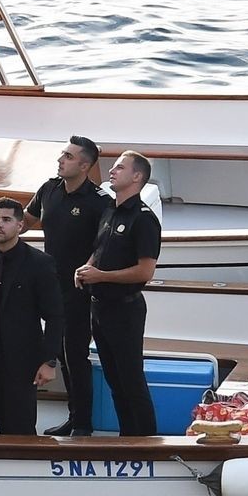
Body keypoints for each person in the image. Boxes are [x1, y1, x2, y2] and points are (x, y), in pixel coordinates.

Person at [25, 136, 113, 437]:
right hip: (49, 286)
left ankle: (82, 423)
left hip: (78, 290)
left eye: (68, 156)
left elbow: (104, 245)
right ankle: (74, 417)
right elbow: (27, 220)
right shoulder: (48, 189)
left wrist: (88, 267)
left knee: (74, 354)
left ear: (85, 166)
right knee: (59, 352)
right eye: (62, 154)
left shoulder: (99, 201)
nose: (60, 160)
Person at [0, 198, 63, 436]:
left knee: (22, 425)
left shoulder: (39, 263)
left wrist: (49, 362)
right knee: (3, 423)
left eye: (6, 220)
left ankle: (28, 459)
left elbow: (55, 316)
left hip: (22, 358)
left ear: (19, 225)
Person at [75, 151, 161, 436]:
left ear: (137, 176)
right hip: (100, 308)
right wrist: (86, 268)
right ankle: (127, 438)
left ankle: (146, 442)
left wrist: (102, 276)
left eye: (120, 168)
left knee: (131, 380)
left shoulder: (144, 219)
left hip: (125, 310)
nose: (112, 171)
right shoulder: (109, 211)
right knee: (114, 380)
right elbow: (99, 249)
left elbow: (145, 271)